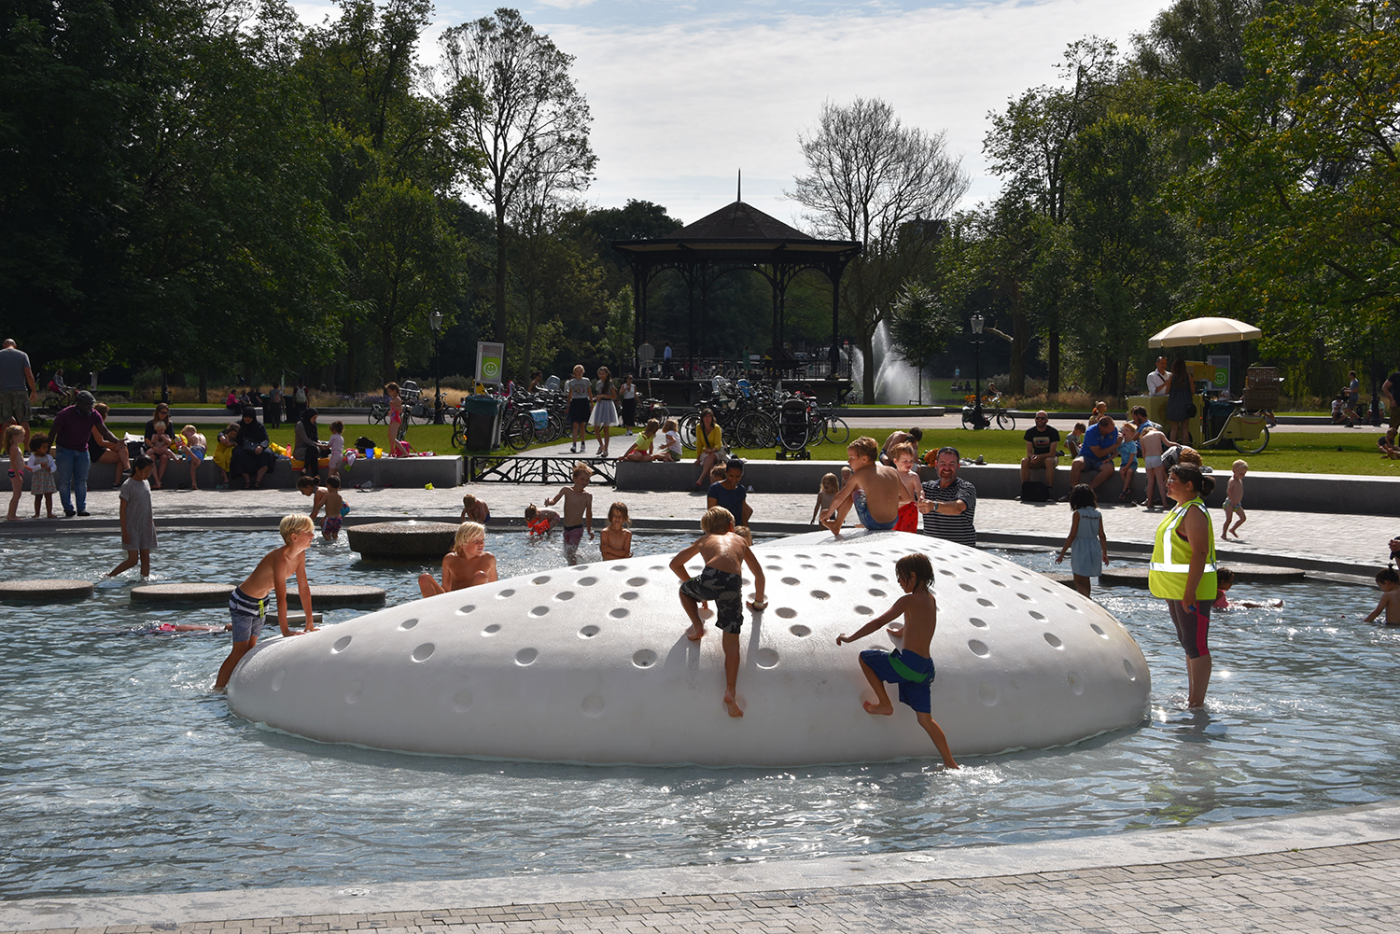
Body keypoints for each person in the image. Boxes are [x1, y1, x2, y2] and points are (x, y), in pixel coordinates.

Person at [835, 553, 959, 770]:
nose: (899, 582)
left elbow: (879, 622)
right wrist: (901, 632)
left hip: (908, 664)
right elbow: (922, 624)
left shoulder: (907, 600)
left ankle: (884, 704)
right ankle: (950, 763)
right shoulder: (930, 599)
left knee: (865, 658)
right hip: (925, 668)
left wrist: (850, 637)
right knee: (925, 720)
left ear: (912, 576)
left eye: (901, 578)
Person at [671, 505, 766, 718]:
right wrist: (758, 602)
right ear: (732, 526)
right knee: (732, 644)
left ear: (706, 529)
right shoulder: (740, 540)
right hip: (733, 584)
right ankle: (730, 691)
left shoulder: (704, 540)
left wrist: (697, 590)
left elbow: (675, 563)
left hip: (710, 576)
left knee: (684, 591)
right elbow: (758, 573)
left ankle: (697, 626)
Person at [213, 515, 317, 692]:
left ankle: (236, 685)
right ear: (294, 537)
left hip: (261, 602)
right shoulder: (279, 558)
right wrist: (285, 631)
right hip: (243, 601)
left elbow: (304, 588)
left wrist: (310, 621)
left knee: (251, 649)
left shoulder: (300, 556)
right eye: (309, 532)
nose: (313, 536)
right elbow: (281, 595)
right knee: (239, 650)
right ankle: (217, 690)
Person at [1149, 464, 1219, 709]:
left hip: (1192, 590)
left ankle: (1197, 703)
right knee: (1187, 641)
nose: (1167, 483)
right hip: (1175, 588)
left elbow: (1200, 552)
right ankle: (1192, 697)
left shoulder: (1194, 512)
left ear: (1189, 486)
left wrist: (1190, 592)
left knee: (1196, 643)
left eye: (1173, 479)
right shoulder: (1180, 509)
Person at [52, 391, 120, 517]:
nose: (90, 407)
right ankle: (68, 508)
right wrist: (45, 453)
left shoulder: (94, 415)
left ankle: (81, 508)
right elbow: (52, 432)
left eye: (91, 404)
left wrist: (117, 441)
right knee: (64, 481)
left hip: (82, 450)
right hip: (65, 450)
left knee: (81, 481)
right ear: (79, 403)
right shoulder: (65, 414)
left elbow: (105, 432)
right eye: (87, 405)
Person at [823, 436, 903, 535]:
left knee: (853, 488)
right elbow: (908, 498)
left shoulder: (858, 475)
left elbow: (839, 497)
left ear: (864, 459)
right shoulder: (892, 471)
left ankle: (836, 524)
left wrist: (828, 513)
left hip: (873, 522)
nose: (848, 461)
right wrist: (884, 499)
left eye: (851, 458)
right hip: (892, 522)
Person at [1055, 484, 1108, 597]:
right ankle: (1088, 599)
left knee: (1078, 579)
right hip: (1094, 546)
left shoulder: (1078, 514)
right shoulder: (1097, 514)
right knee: (1086, 578)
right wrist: (1105, 553)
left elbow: (1072, 535)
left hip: (1081, 547)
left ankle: (1088, 600)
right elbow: (1102, 535)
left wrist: (1062, 553)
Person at [418, 521, 497, 597]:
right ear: (462, 543)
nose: (481, 543)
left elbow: (495, 587)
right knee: (424, 578)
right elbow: (446, 589)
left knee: (481, 576)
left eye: (482, 540)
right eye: (476, 541)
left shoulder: (488, 559)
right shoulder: (450, 559)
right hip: (454, 601)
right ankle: (432, 608)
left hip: (476, 602)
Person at [108, 454, 157, 577]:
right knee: (133, 560)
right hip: (132, 527)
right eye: (146, 471)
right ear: (137, 469)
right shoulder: (128, 486)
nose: (148, 475)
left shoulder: (146, 483)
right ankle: (109, 576)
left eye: (150, 472)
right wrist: (125, 531)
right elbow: (122, 510)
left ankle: (144, 582)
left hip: (146, 525)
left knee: (146, 556)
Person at [920, 446, 977, 547]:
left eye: (951, 464)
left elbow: (958, 507)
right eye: (943, 463)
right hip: (932, 551)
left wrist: (934, 506)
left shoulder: (966, 487)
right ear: (936, 465)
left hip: (961, 553)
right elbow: (904, 499)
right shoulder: (926, 488)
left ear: (958, 466)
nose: (947, 468)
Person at [545, 462, 594, 565]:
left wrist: (589, 530)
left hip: (577, 529)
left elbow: (589, 514)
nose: (585, 482)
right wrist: (549, 503)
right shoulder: (566, 490)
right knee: (567, 553)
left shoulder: (587, 496)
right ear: (574, 478)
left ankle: (574, 572)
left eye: (587, 480)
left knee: (570, 553)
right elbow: (554, 500)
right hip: (566, 529)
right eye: (582, 479)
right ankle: (585, 561)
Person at [1067, 415, 1120, 494]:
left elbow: (1113, 450)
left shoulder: (1114, 431)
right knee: (1076, 463)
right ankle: (1073, 492)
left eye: (1113, 426)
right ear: (1102, 428)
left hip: (1103, 459)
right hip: (1087, 457)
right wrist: (1115, 445)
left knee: (1109, 468)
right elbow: (1098, 453)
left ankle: (1088, 491)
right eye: (1110, 428)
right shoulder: (1091, 432)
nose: (1113, 429)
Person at [0, 338, 37, 445]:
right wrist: (33, 391)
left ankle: (5, 450)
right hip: (20, 390)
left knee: (4, 421)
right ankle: (27, 449)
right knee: (23, 420)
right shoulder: (22, 355)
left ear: (3, 346)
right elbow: (29, 374)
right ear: (15, 346)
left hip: (3, 392)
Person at [85, 402, 131, 489]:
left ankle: (127, 470)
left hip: (101, 447)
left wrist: (118, 442)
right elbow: (100, 442)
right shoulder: (94, 425)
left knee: (122, 448)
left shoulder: (100, 423)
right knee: (122, 457)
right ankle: (127, 471)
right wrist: (117, 442)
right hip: (95, 450)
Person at [229, 406, 275, 489]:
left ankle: (258, 481)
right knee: (238, 454)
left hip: (257, 446)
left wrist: (261, 446)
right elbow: (224, 432)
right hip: (243, 446)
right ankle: (247, 481)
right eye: (245, 417)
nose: (247, 419)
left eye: (249, 418)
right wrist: (221, 437)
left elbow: (265, 439)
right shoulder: (239, 424)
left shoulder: (259, 426)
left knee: (267, 454)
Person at [708, 457, 753, 527]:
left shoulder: (741, 490)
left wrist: (746, 533)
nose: (734, 479)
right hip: (718, 529)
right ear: (726, 472)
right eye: (731, 476)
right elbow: (711, 514)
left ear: (742, 474)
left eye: (737, 476)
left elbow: (743, 514)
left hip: (735, 529)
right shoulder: (715, 489)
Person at [1020, 411, 1060, 489]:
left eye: (1042, 418)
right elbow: (1029, 452)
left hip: (1051, 459)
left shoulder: (1053, 432)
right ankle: (1025, 490)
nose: (1040, 420)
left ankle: (1049, 491)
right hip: (1036, 459)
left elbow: (1052, 453)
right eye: (1038, 418)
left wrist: (1039, 457)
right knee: (1024, 461)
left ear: (1047, 420)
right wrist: (1033, 457)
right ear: (1035, 419)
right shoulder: (1030, 432)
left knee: (1048, 461)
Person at [890, 443, 924, 532]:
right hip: (893, 510)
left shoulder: (913, 476)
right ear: (895, 461)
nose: (909, 463)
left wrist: (921, 497)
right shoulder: (891, 475)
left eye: (911, 461)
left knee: (907, 533)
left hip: (909, 509)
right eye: (905, 461)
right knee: (892, 534)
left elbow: (919, 489)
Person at [588, 367, 621, 457]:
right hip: (599, 405)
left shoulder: (609, 383)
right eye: (600, 374)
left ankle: (606, 448)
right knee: (596, 427)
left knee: (606, 429)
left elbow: (613, 396)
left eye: (603, 374)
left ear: (606, 374)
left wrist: (603, 395)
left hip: (607, 405)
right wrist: (597, 397)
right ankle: (601, 445)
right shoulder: (598, 383)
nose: (601, 375)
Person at [1212, 568, 1282, 610]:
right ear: (1223, 581)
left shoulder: (1218, 591)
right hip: (1225, 609)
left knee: (1245, 604)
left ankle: (1269, 606)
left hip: (1228, 605)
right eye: (1230, 582)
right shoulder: (1217, 593)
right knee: (1246, 604)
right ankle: (1271, 607)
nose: (1231, 584)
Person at [1137, 422, 1169, 510]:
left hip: (1148, 460)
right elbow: (1166, 446)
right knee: (1160, 482)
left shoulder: (1143, 438)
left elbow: (1143, 454)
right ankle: (1165, 503)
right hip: (1156, 458)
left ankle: (1149, 503)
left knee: (1150, 483)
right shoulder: (1158, 434)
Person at [692, 408, 724, 488]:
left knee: (712, 455)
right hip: (706, 451)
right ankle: (712, 485)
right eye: (706, 417)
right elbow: (699, 443)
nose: (708, 419)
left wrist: (712, 450)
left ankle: (701, 478)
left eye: (709, 416)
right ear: (702, 418)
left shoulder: (716, 428)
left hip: (717, 451)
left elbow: (718, 444)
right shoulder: (699, 427)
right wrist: (698, 458)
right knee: (709, 461)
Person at [26, 433, 56, 518]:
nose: (46, 449)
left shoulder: (49, 457)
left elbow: (53, 466)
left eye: (47, 447)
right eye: (44, 447)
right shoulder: (33, 457)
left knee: (49, 496)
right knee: (38, 497)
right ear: (37, 447)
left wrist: (51, 469)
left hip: (47, 479)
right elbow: (30, 468)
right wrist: (39, 466)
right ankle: (37, 513)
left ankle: (49, 513)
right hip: (38, 479)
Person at [1165, 357, 1194, 443]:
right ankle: (1185, 448)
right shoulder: (1188, 377)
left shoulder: (1172, 377)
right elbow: (1192, 390)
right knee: (1185, 428)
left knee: (1174, 428)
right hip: (1186, 403)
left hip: (1174, 403)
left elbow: (1167, 391)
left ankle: (1173, 448)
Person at [565, 365, 591, 454]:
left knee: (582, 425)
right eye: (577, 371)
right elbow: (570, 394)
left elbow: (589, 392)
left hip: (583, 402)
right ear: (574, 372)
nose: (579, 373)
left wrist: (591, 403)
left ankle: (583, 443)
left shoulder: (586, 381)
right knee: (575, 424)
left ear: (583, 372)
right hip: (575, 402)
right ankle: (574, 444)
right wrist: (568, 405)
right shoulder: (571, 382)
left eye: (580, 371)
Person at [293, 408, 325, 477]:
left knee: (312, 450)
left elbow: (315, 439)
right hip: (301, 450)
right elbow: (307, 441)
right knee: (312, 449)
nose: (314, 420)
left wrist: (322, 445)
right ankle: (316, 475)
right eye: (313, 418)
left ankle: (305, 469)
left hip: (312, 448)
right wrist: (319, 445)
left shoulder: (313, 425)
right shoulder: (300, 425)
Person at [1222, 459, 1248, 539]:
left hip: (1237, 503)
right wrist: (1232, 499)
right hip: (1230, 503)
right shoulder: (1233, 481)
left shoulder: (1239, 480)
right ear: (1234, 471)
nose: (1243, 476)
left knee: (1243, 518)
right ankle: (1224, 534)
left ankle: (1233, 529)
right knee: (1229, 519)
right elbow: (1229, 491)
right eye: (1241, 474)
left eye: (1244, 474)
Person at [175, 425, 206, 491]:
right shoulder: (202, 436)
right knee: (194, 466)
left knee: (195, 465)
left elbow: (188, 445)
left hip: (194, 448)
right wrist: (204, 454)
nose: (186, 437)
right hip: (202, 449)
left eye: (186, 435)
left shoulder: (192, 437)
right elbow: (206, 447)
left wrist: (186, 455)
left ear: (191, 431)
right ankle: (194, 483)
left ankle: (193, 482)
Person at [146, 421, 175, 490]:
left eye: (161, 430)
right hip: (155, 449)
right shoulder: (154, 435)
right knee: (150, 455)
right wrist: (155, 440)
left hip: (163, 450)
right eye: (158, 431)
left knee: (165, 456)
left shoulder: (166, 435)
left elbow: (169, 442)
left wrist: (164, 438)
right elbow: (151, 442)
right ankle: (157, 481)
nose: (160, 432)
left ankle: (159, 480)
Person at [5, 424, 25, 521]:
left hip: (18, 472)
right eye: (21, 436)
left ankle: (12, 514)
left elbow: (19, 461)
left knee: (17, 494)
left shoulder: (16, 447)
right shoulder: (14, 448)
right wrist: (18, 475)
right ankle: (11, 515)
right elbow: (13, 462)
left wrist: (26, 467)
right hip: (15, 473)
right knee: (17, 494)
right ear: (14, 437)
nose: (23, 438)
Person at [1116, 423, 1140, 502]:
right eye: (1123, 430)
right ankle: (1128, 488)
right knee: (1121, 472)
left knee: (1129, 472)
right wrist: (1109, 458)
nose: (1124, 431)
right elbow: (1116, 452)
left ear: (1132, 434)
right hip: (1124, 462)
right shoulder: (1122, 443)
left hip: (1132, 462)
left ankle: (1123, 490)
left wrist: (1127, 467)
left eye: (1127, 430)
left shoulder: (1132, 444)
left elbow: (1132, 457)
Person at [212, 422, 238, 489]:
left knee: (228, 456)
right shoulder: (226, 436)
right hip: (221, 449)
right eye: (231, 434)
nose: (232, 435)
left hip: (226, 449)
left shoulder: (235, 438)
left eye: (234, 435)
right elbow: (228, 444)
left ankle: (225, 474)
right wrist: (234, 443)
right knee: (221, 458)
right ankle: (225, 476)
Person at [383, 383, 407, 457]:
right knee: (389, 436)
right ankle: (392, 450)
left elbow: (400, 409)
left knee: (393, 438)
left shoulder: (397, 399)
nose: (389, 393)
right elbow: (395, 410)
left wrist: (393, 405)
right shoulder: (394, 399)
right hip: (393, 419)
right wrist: (391, 412)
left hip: (396, 420)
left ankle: (404, 452)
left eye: (390, 391)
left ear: (395, 391)